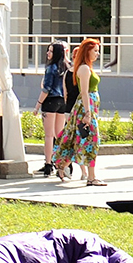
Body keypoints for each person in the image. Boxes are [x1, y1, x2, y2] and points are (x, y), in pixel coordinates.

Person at [51, 38, 104, 186]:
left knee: (78, 138)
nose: (97, 54)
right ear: (87, 51)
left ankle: (62, 165)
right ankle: (91, 177)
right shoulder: (84, 69)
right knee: (91, 140)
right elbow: (85, 92)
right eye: (95, 51)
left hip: (88, 107)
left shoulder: (84, 67)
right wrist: (88, 113)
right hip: (85, 108)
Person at [33, 41, 68, 177]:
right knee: (59, 134)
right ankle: (62, 162)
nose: (48, 53)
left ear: (57, 53)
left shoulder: (51, 68)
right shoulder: (66, 67)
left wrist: (37, 106)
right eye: (48, 50)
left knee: (49, 135)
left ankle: (48, 164)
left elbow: (46, 89)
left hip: (50, 102)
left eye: (51, 51)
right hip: (62, 102)